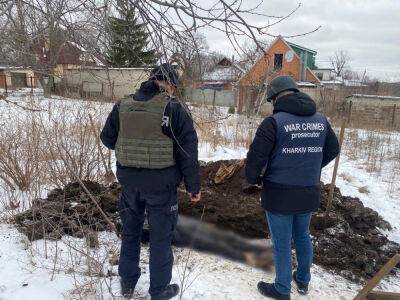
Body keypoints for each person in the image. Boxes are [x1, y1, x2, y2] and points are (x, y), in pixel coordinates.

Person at [100, 63, 201, 300]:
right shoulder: (174, 108)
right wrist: (193, 186)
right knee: (161, 237)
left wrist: (132, 148)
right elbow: (188, 152)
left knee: (131, 232)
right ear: (171, 85)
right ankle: (159, 291)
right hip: (161, 186)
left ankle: (127, 282)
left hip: (129, 184)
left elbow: (107, 139)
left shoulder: (123, 105)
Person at [245, 76, 339, 299]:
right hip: (308, 191)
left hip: (279, 193)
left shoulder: (274, 122)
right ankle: (303, 280)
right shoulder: (321, 120)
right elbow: (333, 149)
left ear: (276, 97)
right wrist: (312, 166)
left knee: (282, 242)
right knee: (303, 236)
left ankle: (282, 289)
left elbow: (256, 158)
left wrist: (254, 178)